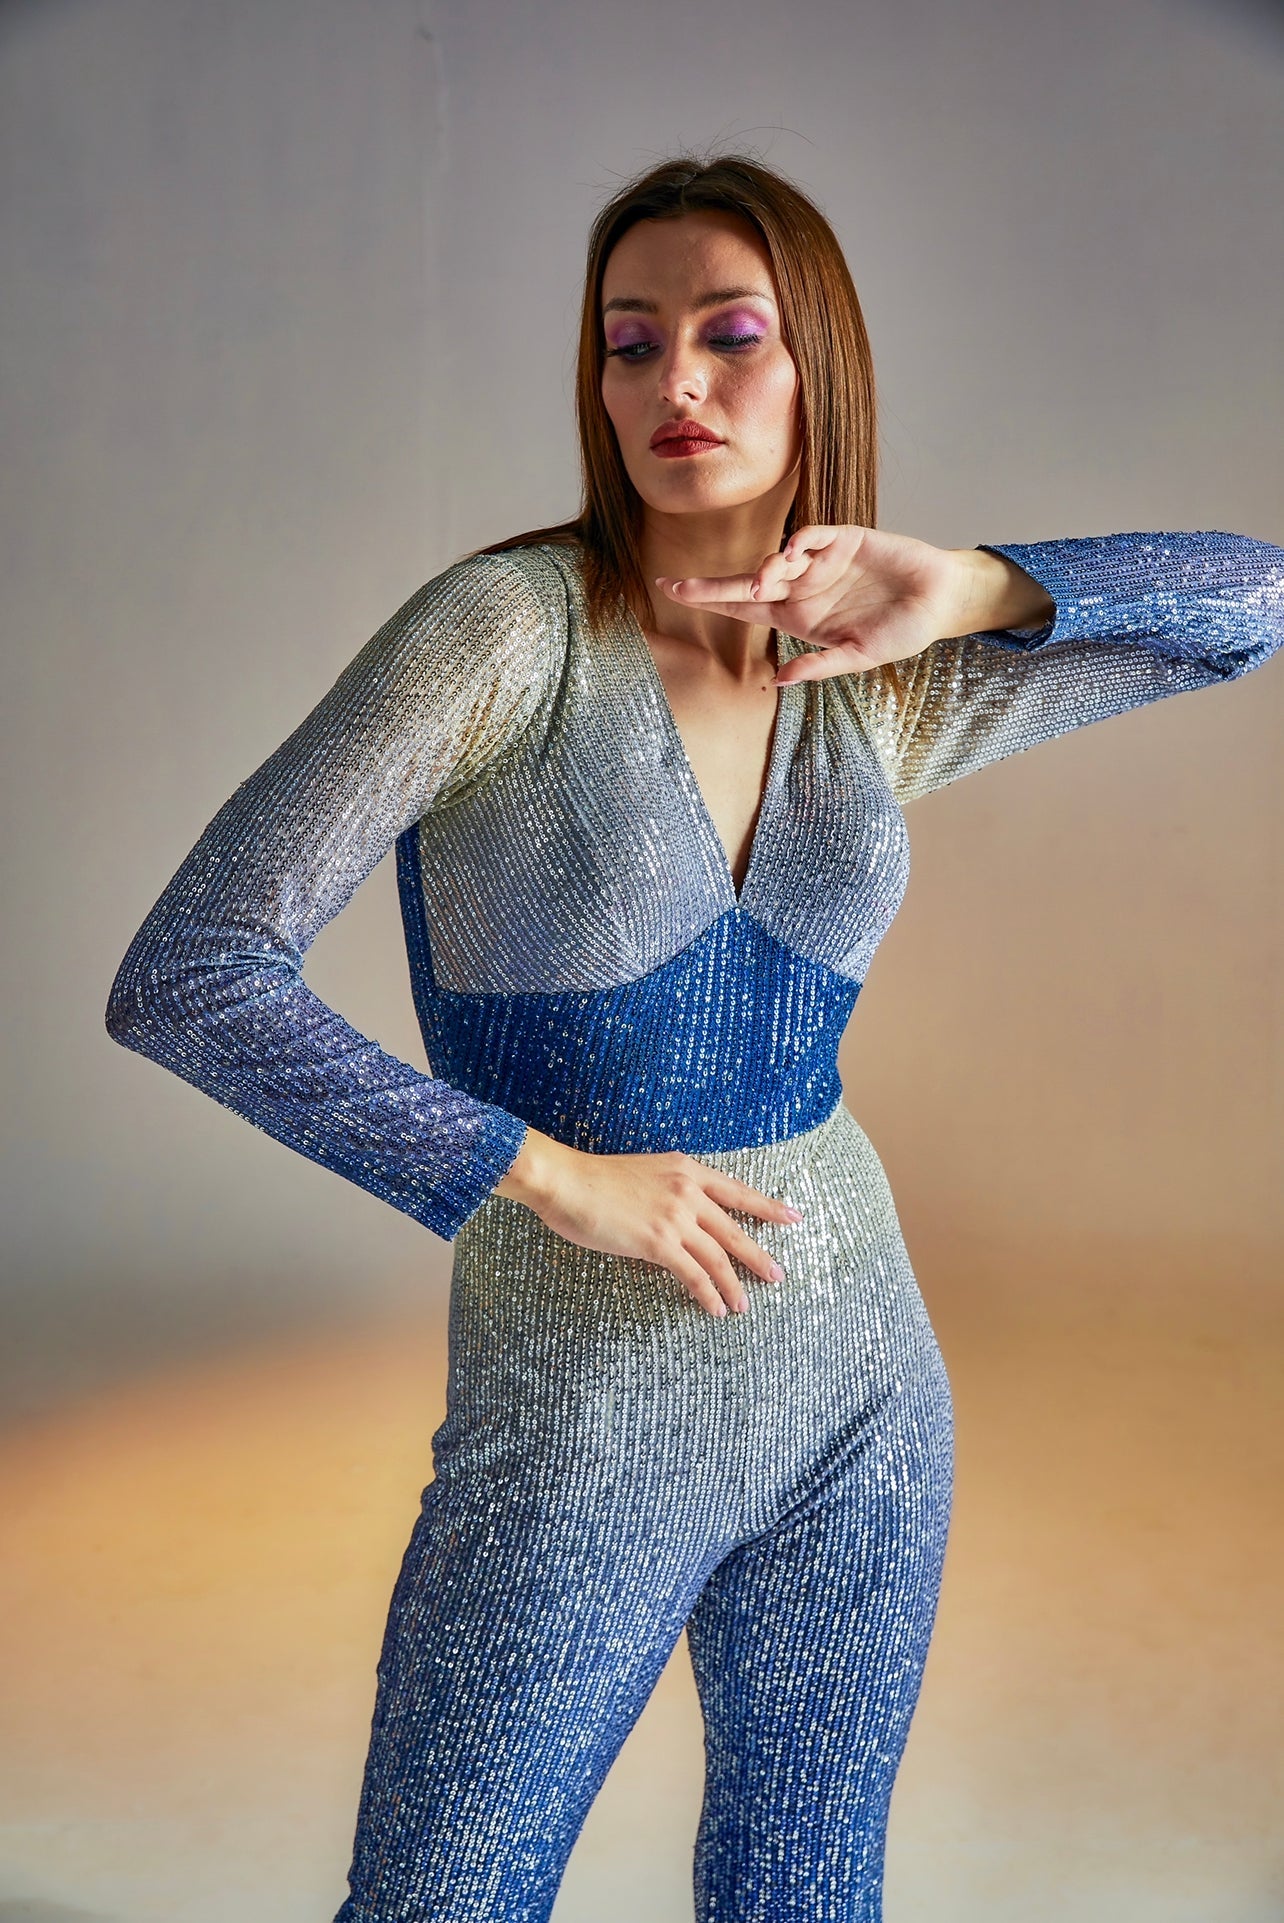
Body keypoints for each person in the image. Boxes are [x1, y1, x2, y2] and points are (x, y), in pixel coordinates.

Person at [105, 150, 1283, 1923]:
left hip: (864, 1384)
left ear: (818, 368)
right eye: (629, 341)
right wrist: (541, 1173)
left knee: (805, 1897)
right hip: (580, 1404)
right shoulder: (507, 637)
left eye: (732, 336)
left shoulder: (878, 671)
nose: (677, 383)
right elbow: (189, 969)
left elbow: (1253, 604)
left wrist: (967, 583)